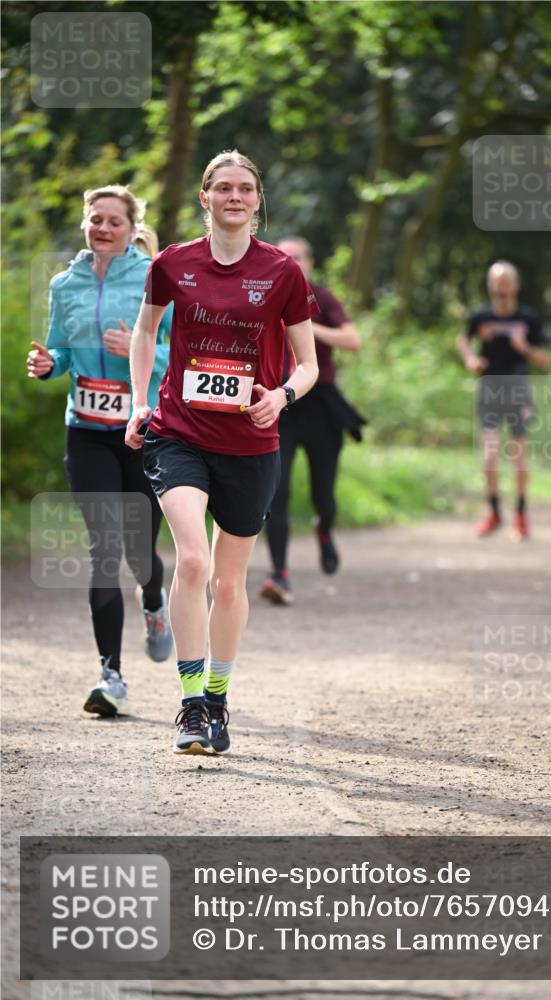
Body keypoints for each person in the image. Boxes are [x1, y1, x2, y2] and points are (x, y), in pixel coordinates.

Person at [125, 150, 318, 756]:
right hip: (179, 431)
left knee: (230, 586)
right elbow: (145, 331)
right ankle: (188, 707)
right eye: (223, 188)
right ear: (204, 197)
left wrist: (281, 396)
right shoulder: (171, 264)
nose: (235, 196)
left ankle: (217, 698)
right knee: (191, 561)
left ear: (257, 201)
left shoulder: (283, 272)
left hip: (251, 442)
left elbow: (308, 364)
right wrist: (138, 402)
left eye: (246, 189)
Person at [26, 185, 173, 717]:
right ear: (86, 224)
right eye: (96, 219)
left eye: (114, 220)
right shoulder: (64, 283)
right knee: (104, 548)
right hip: (85, 428)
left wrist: (139, 350)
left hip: (143, 427)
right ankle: (110, 675)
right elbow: (59, 349)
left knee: (139, 552)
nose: (103, 228)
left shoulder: (157, 276)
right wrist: (50, 365)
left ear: (132, 227)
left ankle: (154, 600)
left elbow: (178, 351)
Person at [259, 237, 362, 606]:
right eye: (285, 257)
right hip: (278, 403)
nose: (292, 262)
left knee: (324, 494)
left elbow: (352, 340)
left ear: (311, 263)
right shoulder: (261, 294)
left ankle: (324, 527)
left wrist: (305, 327)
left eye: (299, 257)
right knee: (276, 492)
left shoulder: (322, 297)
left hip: (320, 404)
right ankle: (279, 574)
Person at [456, 260, 550, 539]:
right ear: (489, 285)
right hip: (488, 390)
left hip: (518, 389)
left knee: (519, 458)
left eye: (506, 282)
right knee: (490, 455)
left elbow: (545, 360)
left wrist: (526, 348)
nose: (501, 287)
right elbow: (461, 339)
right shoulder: (480, 316)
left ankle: (521, 512)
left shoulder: (529, 319)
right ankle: (495, 512)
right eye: (496, 282)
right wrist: (470, 358)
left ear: (516, 285)